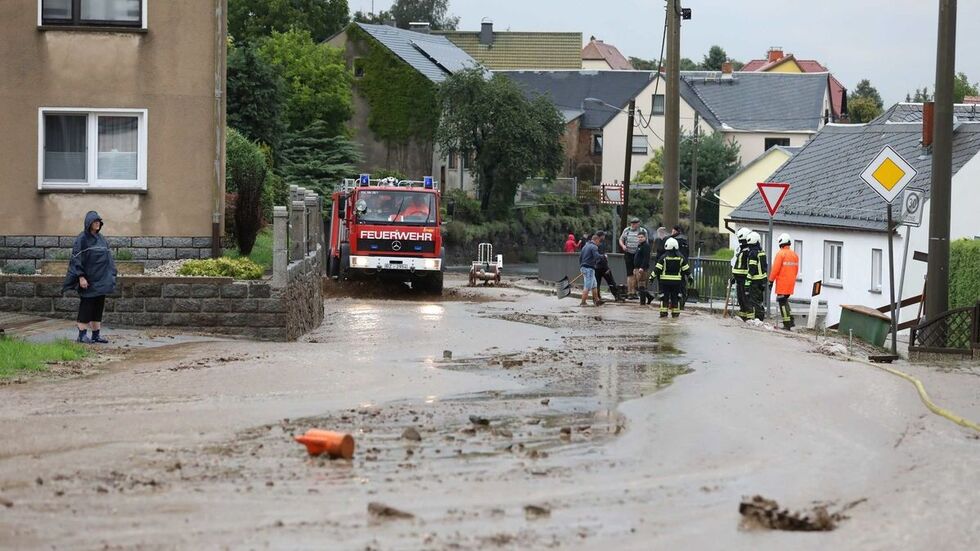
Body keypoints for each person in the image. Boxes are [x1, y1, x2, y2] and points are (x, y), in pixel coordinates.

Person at [63, 211, 117, 344]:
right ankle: (81, 335)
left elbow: (108, 258)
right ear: (89, 223)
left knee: (98, 307)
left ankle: (96, 335)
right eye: (95, 221)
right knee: (87, 306)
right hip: (88, 280)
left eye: (99, 221)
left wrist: (112, 273)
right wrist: (81, 277)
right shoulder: (82, 239)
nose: (97, 223)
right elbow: (76, 259)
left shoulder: (101, 238)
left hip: (102, 280)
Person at [651, 237, 690, 318]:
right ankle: (675, 315)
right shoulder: (681, 257)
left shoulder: (663, 257)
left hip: (664, 283)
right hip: (677, 283)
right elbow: (686, 269)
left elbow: (657, 269)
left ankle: (663, 314)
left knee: (664, 298)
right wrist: (690, 276)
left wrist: (651, 277)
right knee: (675, 299)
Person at [769, 233, 800, 330]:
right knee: (785, 301)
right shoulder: (794, 255)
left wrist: (770, 281)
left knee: (782, 302)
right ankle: (791, 321)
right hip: (791, 283)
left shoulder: (781, 254)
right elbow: (796, 270)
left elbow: (775, 269)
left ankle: (787, 324)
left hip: (782, 283)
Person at [619, 217, 648, 300]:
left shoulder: (643, 231)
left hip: (638, 254)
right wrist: (623, 246)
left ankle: (635, 291)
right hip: (629, 253)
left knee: (637, 274)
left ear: (638, 223)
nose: (633, 225)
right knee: (630, 274)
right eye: (632, 223)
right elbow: (621, 239)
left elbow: (646, 242)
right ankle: (630, 292)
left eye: (635, 223)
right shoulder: (627, 230)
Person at [745, 231, 769, 321]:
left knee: (753, 301)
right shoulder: (762, 252)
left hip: (754, 281)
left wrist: (747, 283)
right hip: (762, 281)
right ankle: (761, 317)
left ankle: (754, 320)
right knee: (760, 300)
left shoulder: (753, 253)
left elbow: (752, 270)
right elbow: (765, 267)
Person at [579, 231, 605, 307]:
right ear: (596, 240)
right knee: (588, 286)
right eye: (599, 241)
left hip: (584, 267)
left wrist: (581, 267)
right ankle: (583, 302)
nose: (599, 243)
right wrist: (603, 256)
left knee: (594, 285)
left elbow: (580, 257)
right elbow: (597, 257)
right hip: (589, 268)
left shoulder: (585, 246)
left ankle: (597, 300)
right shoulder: (594, 247)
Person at [731, 227, 752, 321]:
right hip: (739, 279)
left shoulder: (747, 252)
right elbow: (738, 265)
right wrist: (734, 277)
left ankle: (749, 318)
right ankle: (743, 316)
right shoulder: (742, 250)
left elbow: (744, 267)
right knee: (741, 299)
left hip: (744, 279)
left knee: (745, 299)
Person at [634, 233, 655, 305]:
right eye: (639, 237)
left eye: (641, 237)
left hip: (642, 269)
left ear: (645, 238)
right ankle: (649, 296)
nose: (640, 238)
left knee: (641, 285)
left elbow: (646, 258)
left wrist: (642, 267)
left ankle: (642, 302)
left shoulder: (646, 246)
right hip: (637, 268)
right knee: (637, 286)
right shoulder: (639, 245)